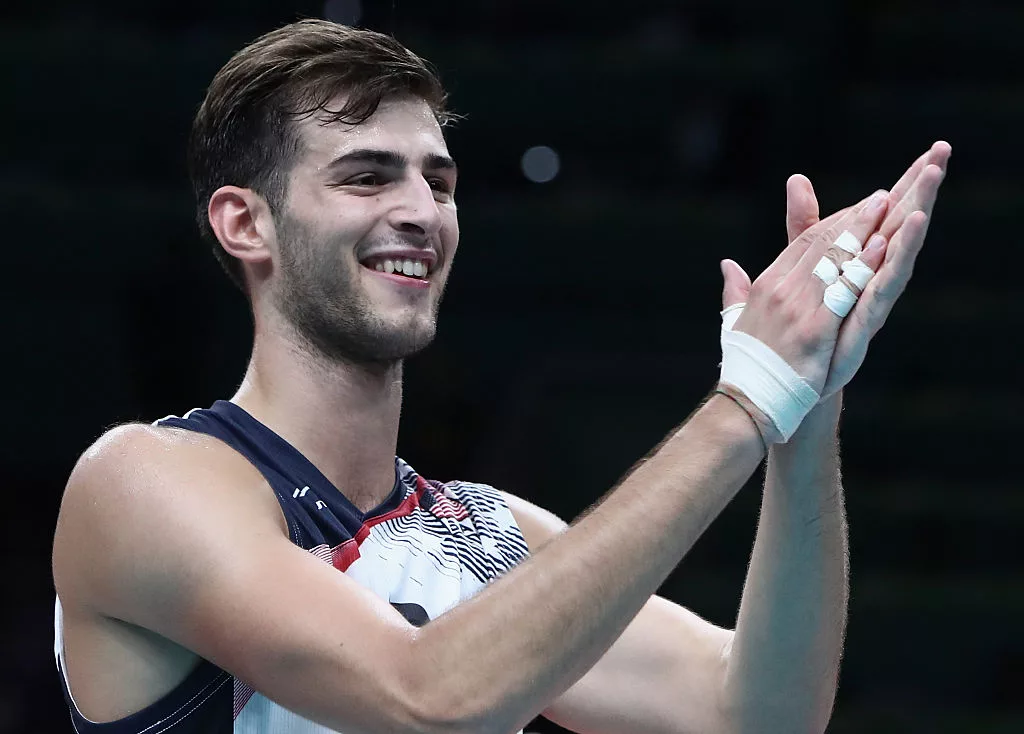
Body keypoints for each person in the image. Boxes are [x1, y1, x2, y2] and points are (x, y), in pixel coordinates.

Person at [51, 18, 949, 734]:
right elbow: (423, 700)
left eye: (437, 183)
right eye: (366, 178)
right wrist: (747, 399)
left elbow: (756, 713)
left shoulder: (488, 533)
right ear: (245, 225)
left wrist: (806, 410)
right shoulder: (141, 483)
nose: (418, 213)